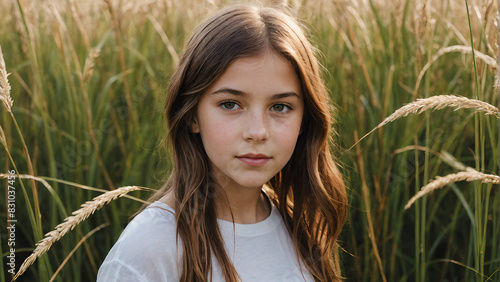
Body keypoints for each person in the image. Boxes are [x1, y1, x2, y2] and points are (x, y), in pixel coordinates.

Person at [97, 3, 348, 281]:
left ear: (305, 120)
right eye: (230, 104)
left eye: (280, 107)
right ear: (192, 114)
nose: (257, 132)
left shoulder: (299, 224)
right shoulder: (150, 249)